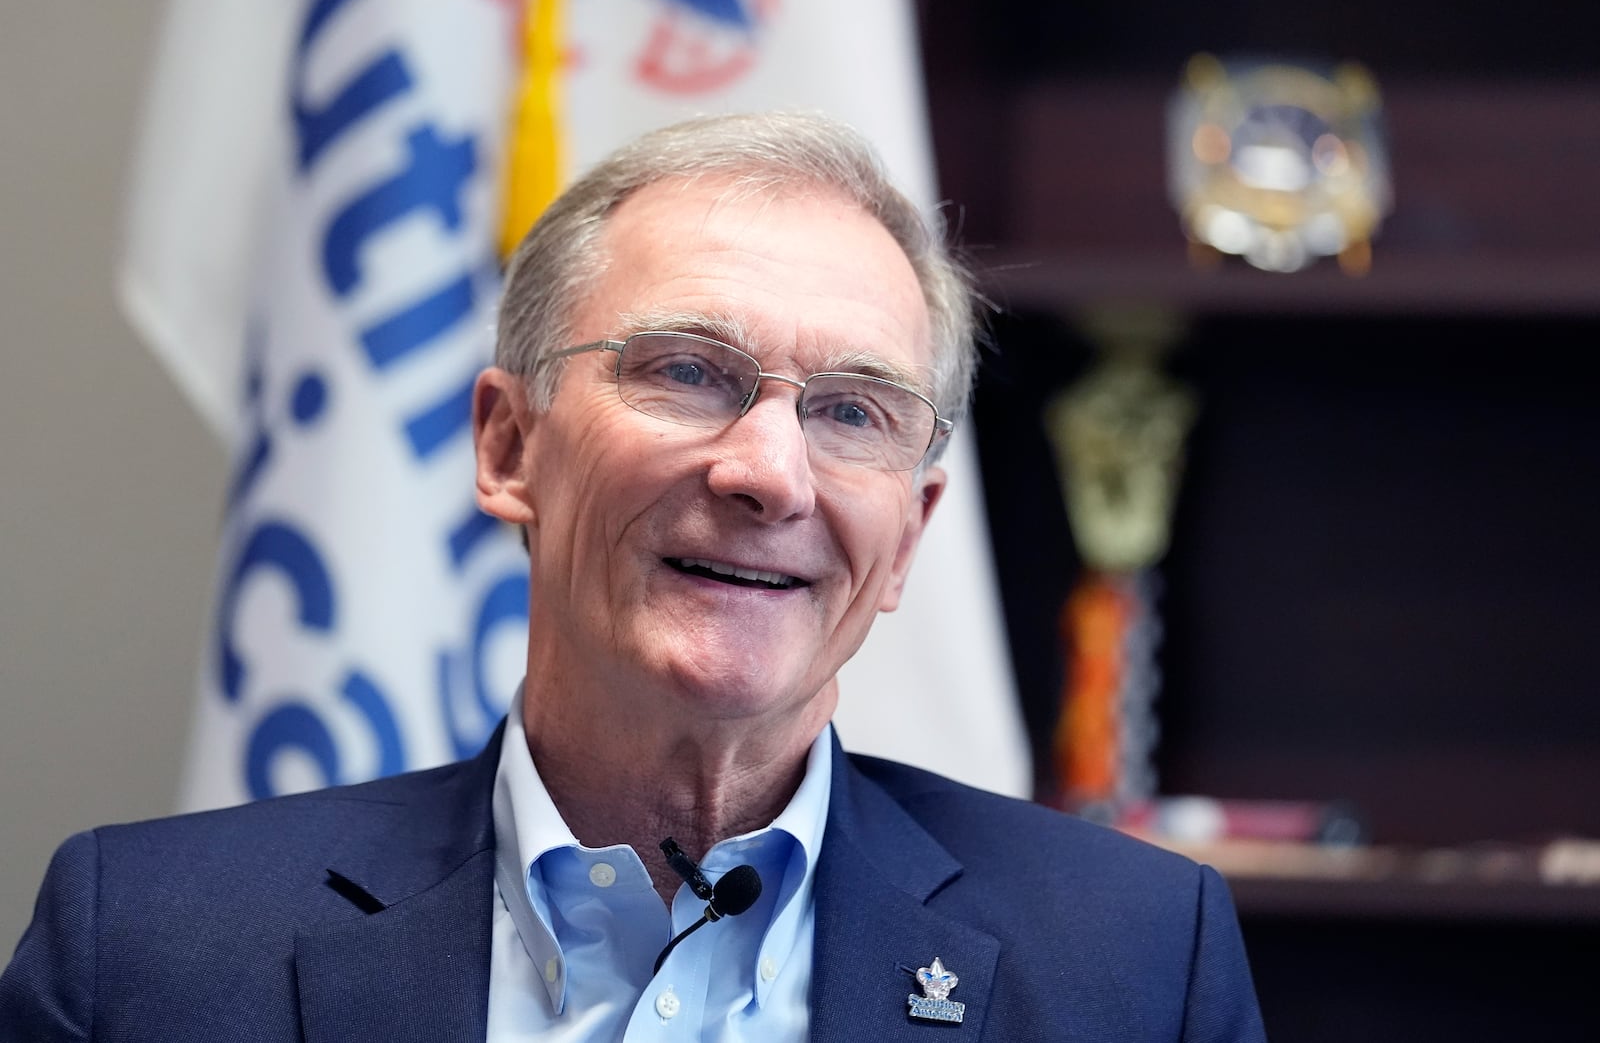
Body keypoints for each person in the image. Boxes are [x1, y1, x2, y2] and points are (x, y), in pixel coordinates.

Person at [0, 112, 1267, 1041]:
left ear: (913, 530)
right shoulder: (148, 952)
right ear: (509, 443)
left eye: (851, 411)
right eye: (687, 372)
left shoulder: (1134, 965)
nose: (770, 473)